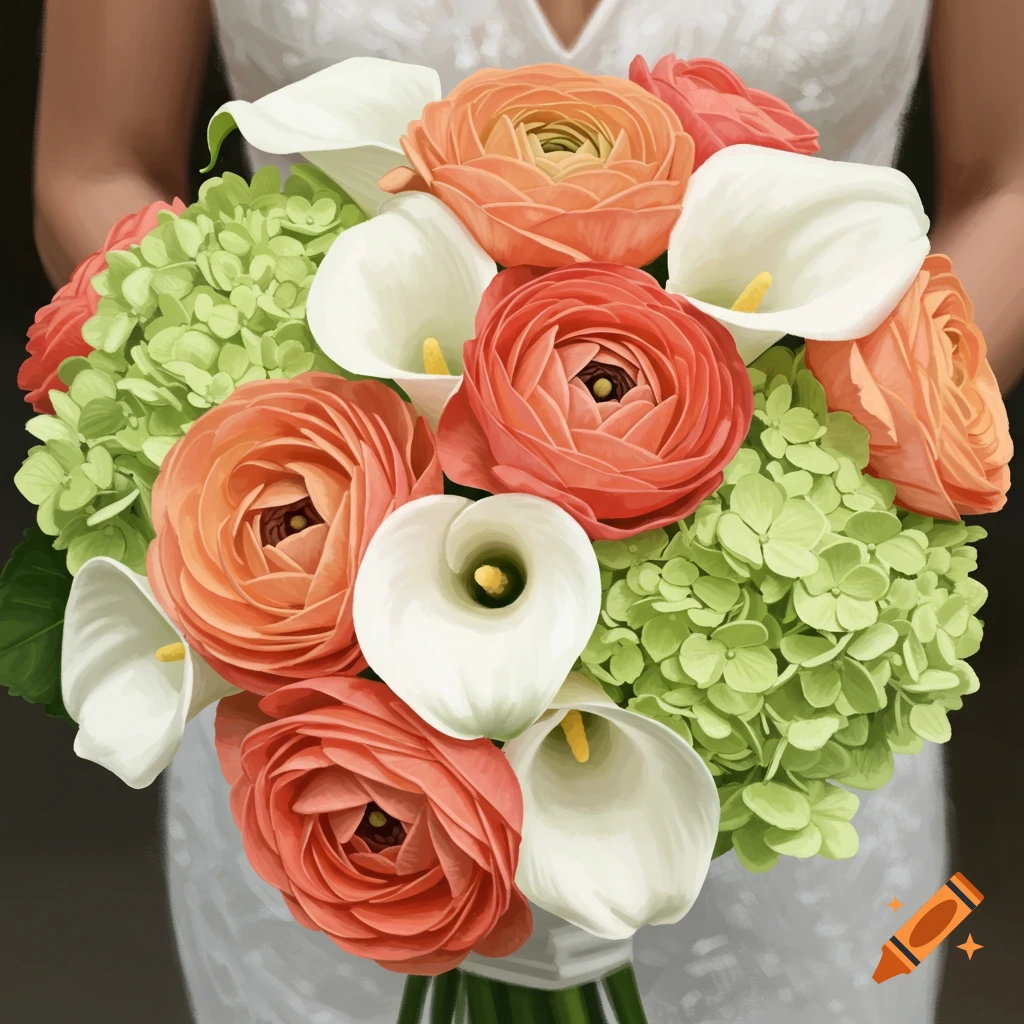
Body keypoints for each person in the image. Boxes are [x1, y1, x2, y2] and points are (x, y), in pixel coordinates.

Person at [32, 2, 1024, 1022]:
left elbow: (1010, 182)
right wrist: (313, 498)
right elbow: (94, 162)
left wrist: (815, 471)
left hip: (783, 670)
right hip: (333, 726)